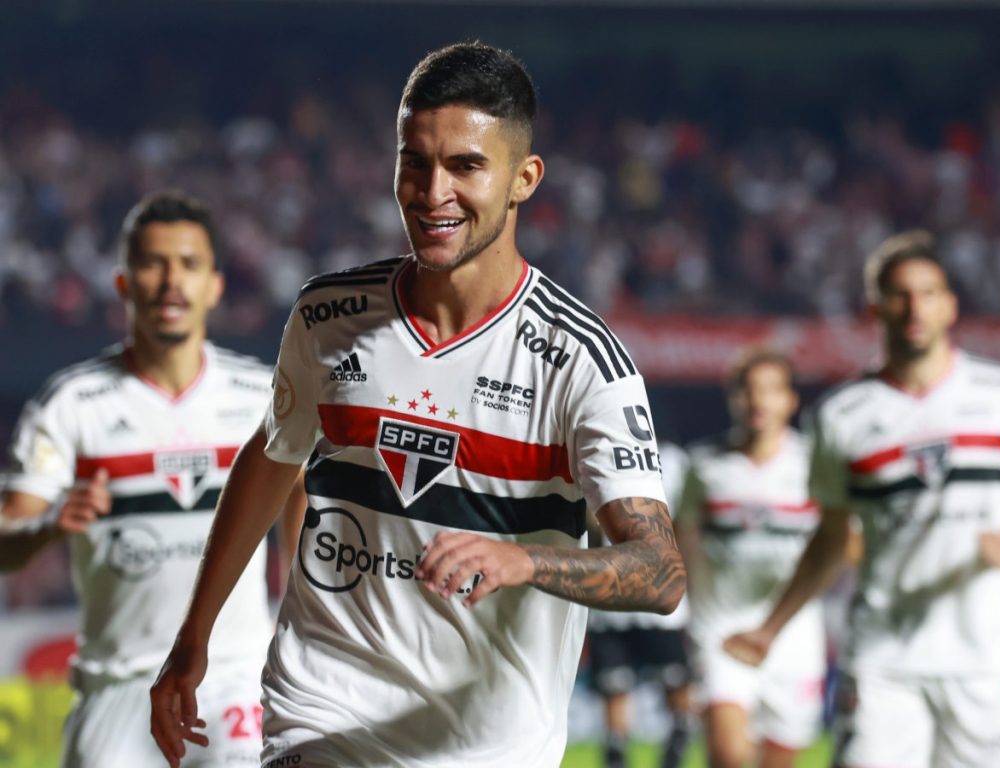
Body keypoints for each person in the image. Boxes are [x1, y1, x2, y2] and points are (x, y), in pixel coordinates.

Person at [150, 41, 686, 768]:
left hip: (488, 745)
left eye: (465, 165)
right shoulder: (327, 315)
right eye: (414, 161)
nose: (432, 191)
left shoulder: (582, 363)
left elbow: (660, 572)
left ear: (524, 178)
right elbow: (273, 457)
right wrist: (194, 637)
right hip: (323, 712)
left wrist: (523, 562)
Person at [0, 190, 302, 767]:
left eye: (188, 265)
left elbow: (304, 483)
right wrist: (45, 525)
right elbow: (5, 539)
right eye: (153, 263)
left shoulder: (259, 395)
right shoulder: (71, 404)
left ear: (214, 285)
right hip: (116, 692)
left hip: (233, 678)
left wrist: (295, 597)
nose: (171, 281)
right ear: (122, 283)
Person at [724, 230, 1000, 767]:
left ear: (950, 305)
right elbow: (831, 537)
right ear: (876, 308)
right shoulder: (841, 417)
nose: (915, 307)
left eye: (929, 293)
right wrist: (771, 627)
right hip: (883, 661)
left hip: (985, 660)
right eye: (899, 294)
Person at [676, 349, 826, 768]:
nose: (758, 401)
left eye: (770, 391)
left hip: (792, 636)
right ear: (733, 399)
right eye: (747, 390)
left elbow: (841, 545)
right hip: (720, 631)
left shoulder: (814, 464)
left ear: (790, 400)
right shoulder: (703, 465)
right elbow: (679, 541)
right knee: (727, 756)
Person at [586, 441, 693, 768]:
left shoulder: (674, 460)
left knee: (674, 676)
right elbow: (588, 520)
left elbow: (684, 524)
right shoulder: (593, 452)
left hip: (655, 593)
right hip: (610, 596)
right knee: (615, 683)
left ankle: (679, 735)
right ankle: (616, 748)